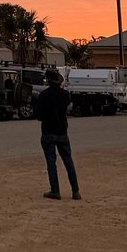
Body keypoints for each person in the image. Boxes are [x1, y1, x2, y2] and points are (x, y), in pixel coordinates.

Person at [36, 68, 80, 201]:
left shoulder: (43, 95)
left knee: (51, 162)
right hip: (62, 131)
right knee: (68, 161)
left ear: (48, 80)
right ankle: (75, 190)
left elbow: (39, 115)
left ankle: (55, 190)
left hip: (48, 131)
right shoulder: (65, 95)